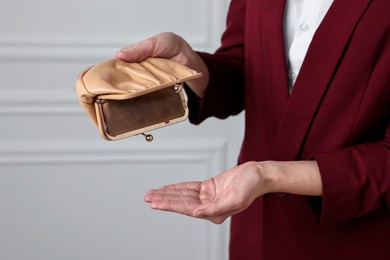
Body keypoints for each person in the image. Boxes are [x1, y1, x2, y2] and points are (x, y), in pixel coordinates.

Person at [116, 0, 390, 259]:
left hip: (356, 238)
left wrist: (269, 174)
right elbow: (247, 70)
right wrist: (189, 64)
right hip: (256, 230)